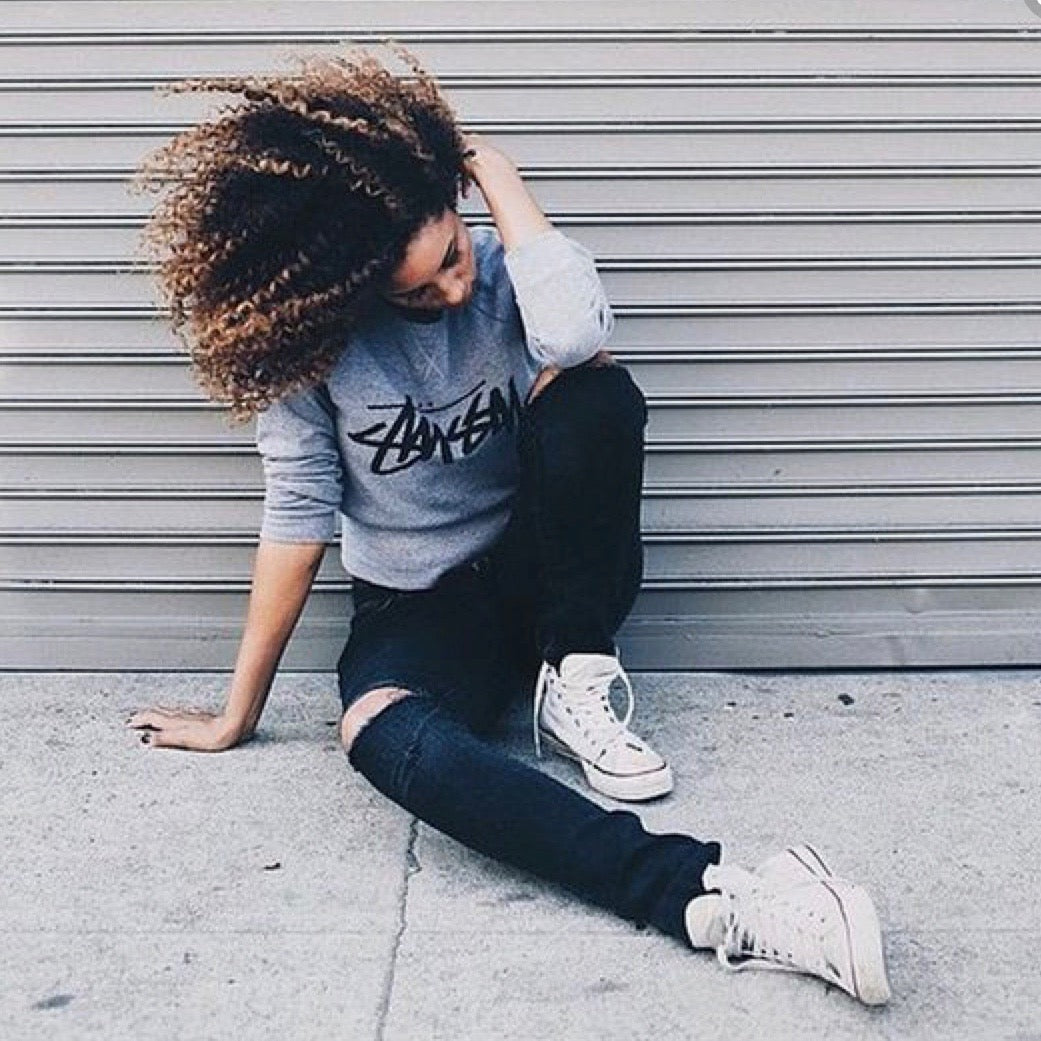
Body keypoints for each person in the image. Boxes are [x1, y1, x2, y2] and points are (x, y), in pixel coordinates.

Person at [125, 44, 891, 1006]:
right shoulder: (316, 351)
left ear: (459, 212)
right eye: (411, 292)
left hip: (551, 573)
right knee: (374, 727)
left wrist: (495, 176)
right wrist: (238, 712)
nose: (448, 291)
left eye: (450, 255)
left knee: (592, 394)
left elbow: (574, 340)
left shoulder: (509, 274)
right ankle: (718, 899)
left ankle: (575, 668)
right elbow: (297, 515)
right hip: (422, 603)